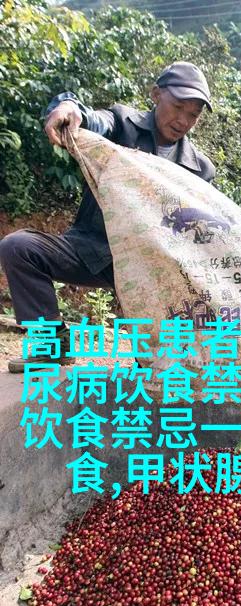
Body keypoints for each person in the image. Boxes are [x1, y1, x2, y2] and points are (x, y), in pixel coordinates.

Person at [0, 61, 215, 373]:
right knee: (19, 247)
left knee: (157, 369)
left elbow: (202, 230)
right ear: (156, 94)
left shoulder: (200, 168)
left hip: (152, 270)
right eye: (178, 107)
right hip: (91, 248)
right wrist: (69, 107)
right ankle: (50, 345)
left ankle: (161, 360)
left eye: (193, 114)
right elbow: (92, 120)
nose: (183, 120)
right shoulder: (122, 124)